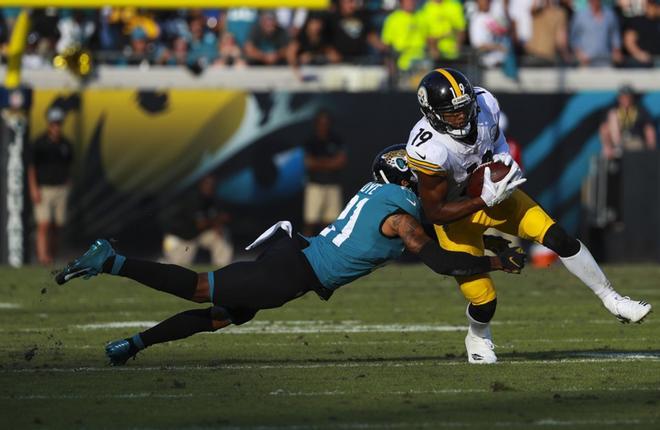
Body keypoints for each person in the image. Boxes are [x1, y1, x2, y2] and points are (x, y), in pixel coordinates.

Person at [54, 145, 527, 366]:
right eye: (424, 176)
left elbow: (441, 227)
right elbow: (443, 262)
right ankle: (111, 260)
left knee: (224, 316)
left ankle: (132, 346)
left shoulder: (386, 199)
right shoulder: (401, 214)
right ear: (407, 178)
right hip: (295, 270)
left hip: (297, 253)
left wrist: (491, 242)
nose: (431, 182)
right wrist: (496, 262)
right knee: (204, 290)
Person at [405, 68, 652, 364]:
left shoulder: (485, 103)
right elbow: (435, 212)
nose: (461, 117)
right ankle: (478, 335)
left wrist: (503, 161)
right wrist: (482, 199)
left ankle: (612, 298)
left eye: (464, 108)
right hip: (455, 216)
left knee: (558, 237)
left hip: (492, 199)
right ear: (432, 114)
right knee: (484, 301)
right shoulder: (427, 148)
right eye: (451, 113)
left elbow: (496, 142)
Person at [27, 107, 74, 265]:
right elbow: (32, 167)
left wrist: (68, 182)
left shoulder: (66, 144)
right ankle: (43, 257)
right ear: (49, 124)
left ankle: (52, 255)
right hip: (44, 188)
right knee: (43, 224)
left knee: (57, 225)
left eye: (59, 123)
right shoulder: (39, 143)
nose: (56, 127)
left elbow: (68, 165)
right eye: (54, 123)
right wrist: (33, 188)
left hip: (61, 188)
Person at [160, 175, 233, 267]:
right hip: (177, 238)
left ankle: (222, 268)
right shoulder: (193, 199)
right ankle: (160, 264)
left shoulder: (210, 200)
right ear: (201, 185)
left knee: (221, 233)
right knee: (176, 268)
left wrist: (218, 223)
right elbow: (200, 224)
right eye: (208, 184)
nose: (210, 187)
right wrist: (217, 220)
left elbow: (223, 217)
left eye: (212, 185)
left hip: (195, 236)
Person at [302, 110, 347, 236]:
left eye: (326, 122)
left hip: (332, 185)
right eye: (321, 122)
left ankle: (326, 252)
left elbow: (341, 161)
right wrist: (330, 163)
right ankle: (304, 250)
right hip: (315, 185)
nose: (324, 125)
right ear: (316, 124)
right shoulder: (311, 140)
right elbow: (308, 163)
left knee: (330, 223)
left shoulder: (336, 139)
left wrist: (319, 163)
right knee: (310, 221)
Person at [599, 85, 656, 160]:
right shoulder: (613, 111)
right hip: (618, 143)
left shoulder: (640, 110)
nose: (625, 99)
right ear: (619, 98)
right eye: (623, 97)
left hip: (635, 141)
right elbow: (604, 129)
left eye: (627, 97)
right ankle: (617, 149)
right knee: (611, 118)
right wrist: (607, 146)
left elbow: (649, 129)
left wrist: (651, 150)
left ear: (631, 97)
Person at [569, 0, 623, 67]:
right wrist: (579, 53)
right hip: (586, 61)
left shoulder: (610, 14)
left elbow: (615, 35)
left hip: (606, 60)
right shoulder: (580, 16)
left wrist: (616, 51)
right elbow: (574, 38)